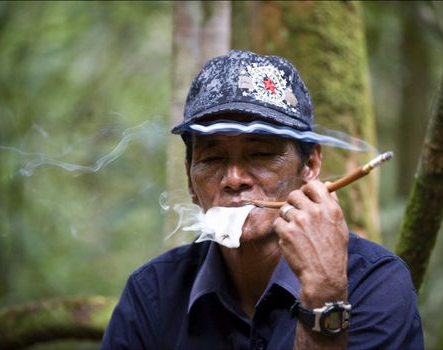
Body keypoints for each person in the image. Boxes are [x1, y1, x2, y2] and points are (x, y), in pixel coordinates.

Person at [101, 50, 424, 349]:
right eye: (212, 159)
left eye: (260, 155)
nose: (234, 179)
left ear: (310, 165)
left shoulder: (375, 284)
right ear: (189, 178)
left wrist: (324, 298)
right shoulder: (152, 295)